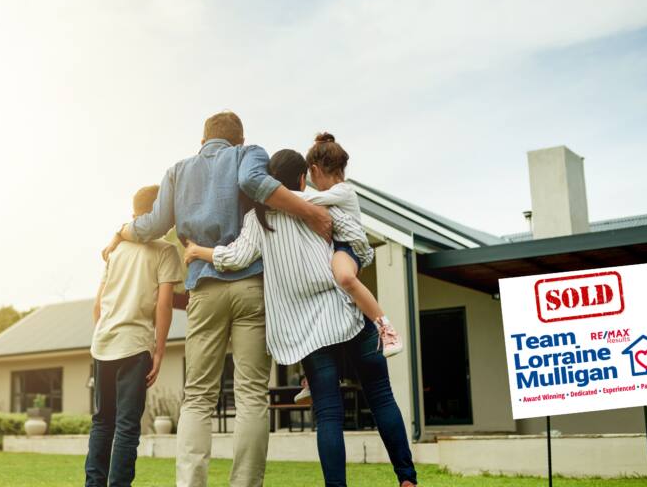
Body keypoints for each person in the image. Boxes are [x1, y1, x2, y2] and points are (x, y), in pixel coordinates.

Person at [103, 111, 332, 487]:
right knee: (252, 395)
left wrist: (122, 231)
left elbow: (154, 224)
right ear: (240, 140)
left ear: (202, 141)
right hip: (251, 287)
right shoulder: (249, 154)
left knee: (197, 397)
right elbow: (253, 182)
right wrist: (311, 213)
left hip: (204, 289)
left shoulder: (178, 171)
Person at [185, 149, 418, 487]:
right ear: (301, 178)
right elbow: (359, 243)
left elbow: (234, 258)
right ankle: (407, 479)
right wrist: (354, 259)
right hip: (346, 314)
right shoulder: (317, 204)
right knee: (381, 396)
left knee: (328, 415)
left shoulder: (258, 218)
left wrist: (197, 251)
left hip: (306, 333)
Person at [293, 132, 403, 406]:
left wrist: (275, 193)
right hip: (336, 251)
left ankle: (385, 327)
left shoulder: (343, 191)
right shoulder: (335, 193)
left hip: (348, 250)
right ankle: (310, 376)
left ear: (315, 171)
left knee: (343, 277)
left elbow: (307, 203)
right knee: (330, 314)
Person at [86, 185, 185, 487]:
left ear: (134, 216)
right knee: (128, 426)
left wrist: (104, 331)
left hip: (103, 344)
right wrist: (158, 351)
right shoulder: (165, 251)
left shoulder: (116, 251)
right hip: (134, 345)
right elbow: (164, 304)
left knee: (102, 421)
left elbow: (97, 306)